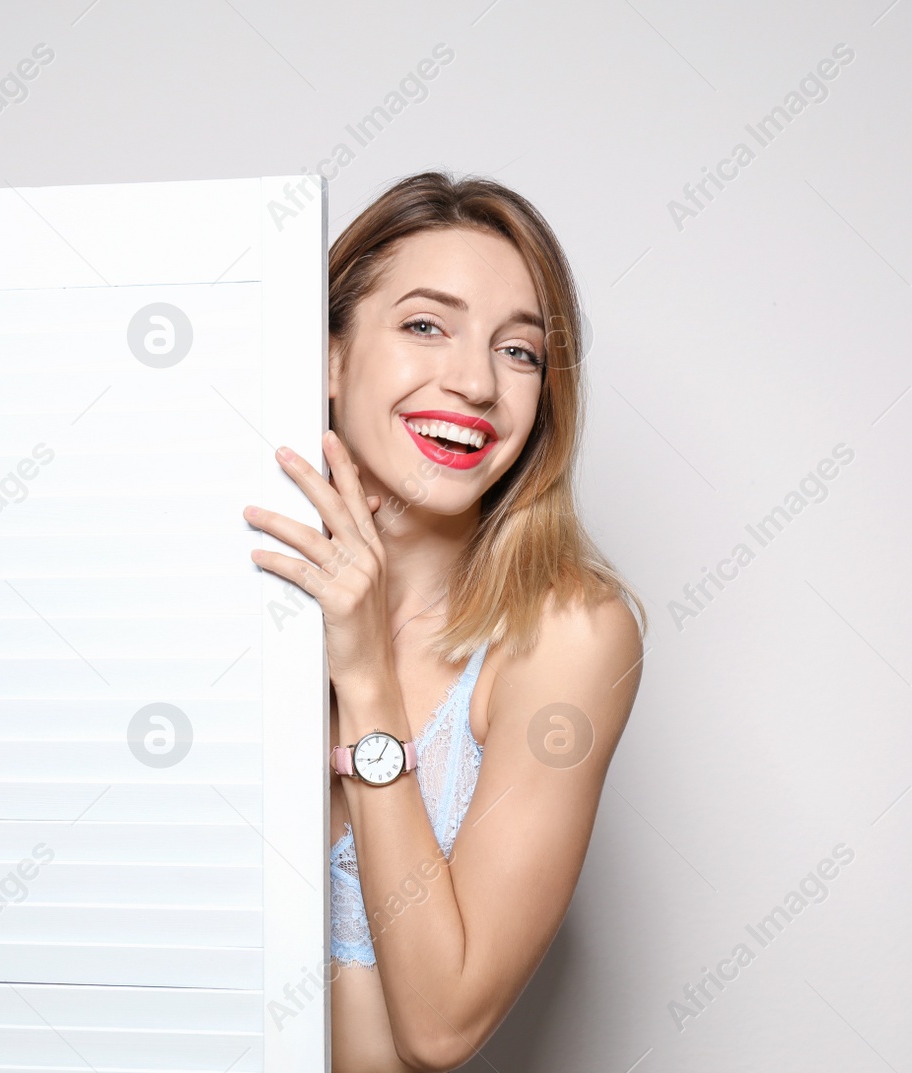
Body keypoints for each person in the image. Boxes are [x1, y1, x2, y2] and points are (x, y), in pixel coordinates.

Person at [243, 170, 646, 1072]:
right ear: (330, 358)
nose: (474, 381)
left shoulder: (570, 636)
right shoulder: (232, 584)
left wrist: (366, 679)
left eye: (520, 351)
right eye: (427, 325)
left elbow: (441, 1026)